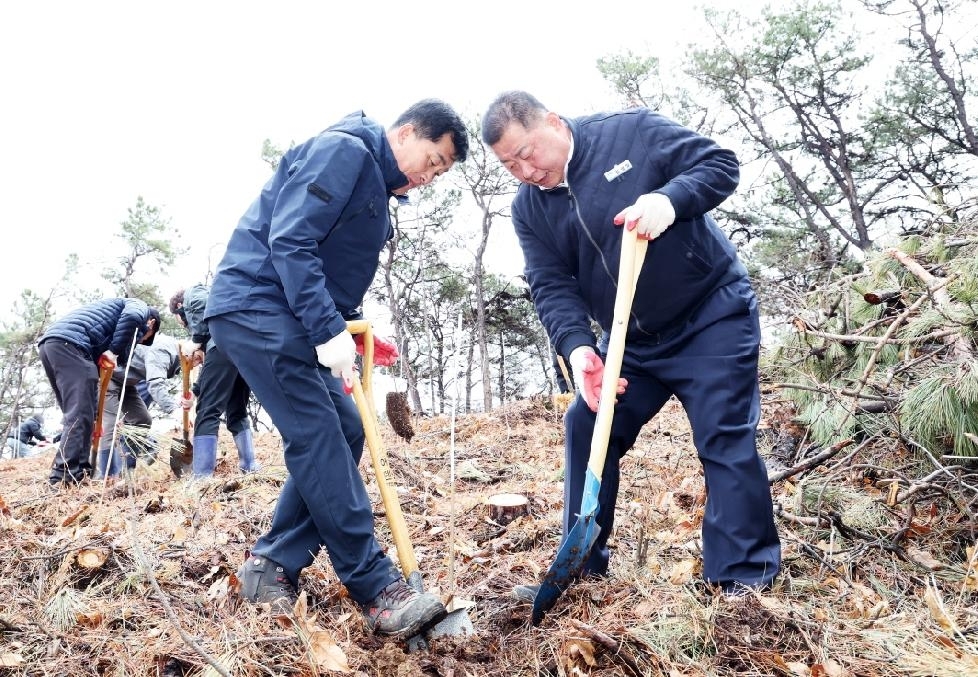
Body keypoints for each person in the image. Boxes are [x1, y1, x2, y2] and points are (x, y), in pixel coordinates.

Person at [481, 91, 781, 599]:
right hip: (632, 341)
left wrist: (670, 200)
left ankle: (742, 579)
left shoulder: (630, 132)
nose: (525, 171)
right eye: (510, 165)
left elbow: (719, 164)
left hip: (709, 315)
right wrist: (579, 351)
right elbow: (551, 284)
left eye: (528, 153)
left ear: (554, 123)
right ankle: (581, 569)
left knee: (722, 436)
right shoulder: (528, 209)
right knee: (587, 423)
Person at [204, 99, 468, 640]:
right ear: (408, 131)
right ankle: (376, 585)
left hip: (292, 313)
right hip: (257, 305)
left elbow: (328, 267)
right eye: (432, 159)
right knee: (319, 433)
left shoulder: (374, 182)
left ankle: (272, 563)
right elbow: (291, 242)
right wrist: (327, 329)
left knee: (346, 428)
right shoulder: (345, 151)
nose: (429, 176)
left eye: (440, 172)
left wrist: (351, 328)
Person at [38, 298, 161, 487]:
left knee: (81, 414)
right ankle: (62, 478)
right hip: (71, 345)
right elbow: (132, 316)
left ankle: (80, 473)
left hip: (52, 345)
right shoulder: (140, 306)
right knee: (80, 415)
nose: (140, 341)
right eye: (145, 337)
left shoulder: (109, 321)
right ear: (151, 323)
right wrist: (114, 351)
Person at [169, 284, 258, 477]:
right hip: (243, 350)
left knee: (207, 412)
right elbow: (215, 374)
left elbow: (203, 301)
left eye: (181, 321)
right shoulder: (218, 326)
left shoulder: (193, 292)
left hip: (223, 347)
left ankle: (201, 477)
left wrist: (197, 339)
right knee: (237, 411)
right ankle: (250, 467)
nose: (184, 325)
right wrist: (194, 392)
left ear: (179, 306)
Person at [95, 332, 184, 478]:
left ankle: (127, 469)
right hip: (109, 377)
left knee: (142, 420)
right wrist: (174, 410)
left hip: (127, 382)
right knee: (112, 425)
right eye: (198, 359)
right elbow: (155, 384)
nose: (198, 363)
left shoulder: (175, 354)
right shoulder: (165, 350)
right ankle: (108, 474)